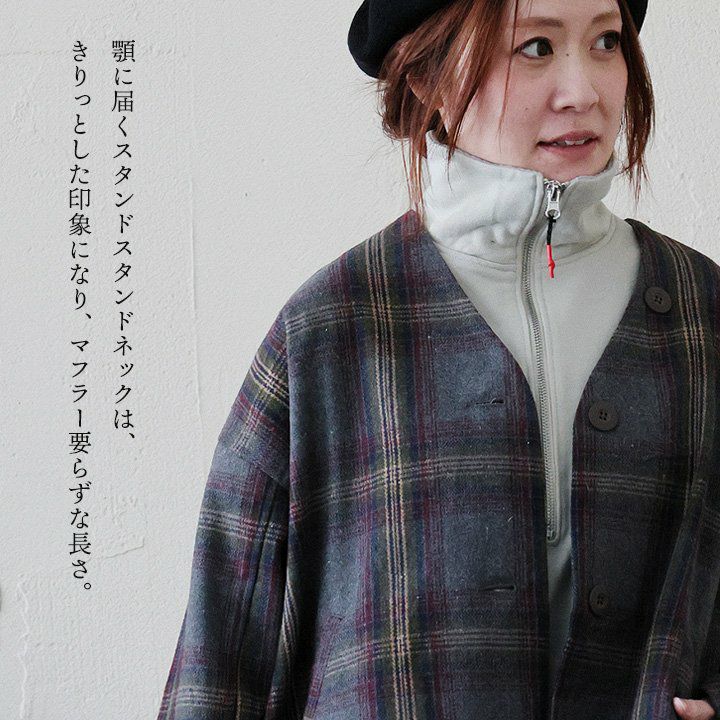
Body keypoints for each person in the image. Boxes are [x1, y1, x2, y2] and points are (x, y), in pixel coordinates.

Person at [155, 1, 720, 718]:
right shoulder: (332, 330)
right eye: (535, 47)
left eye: (606, 41)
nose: (583, 90)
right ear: (430, 76)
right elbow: (222, 655)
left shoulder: (701, 313)